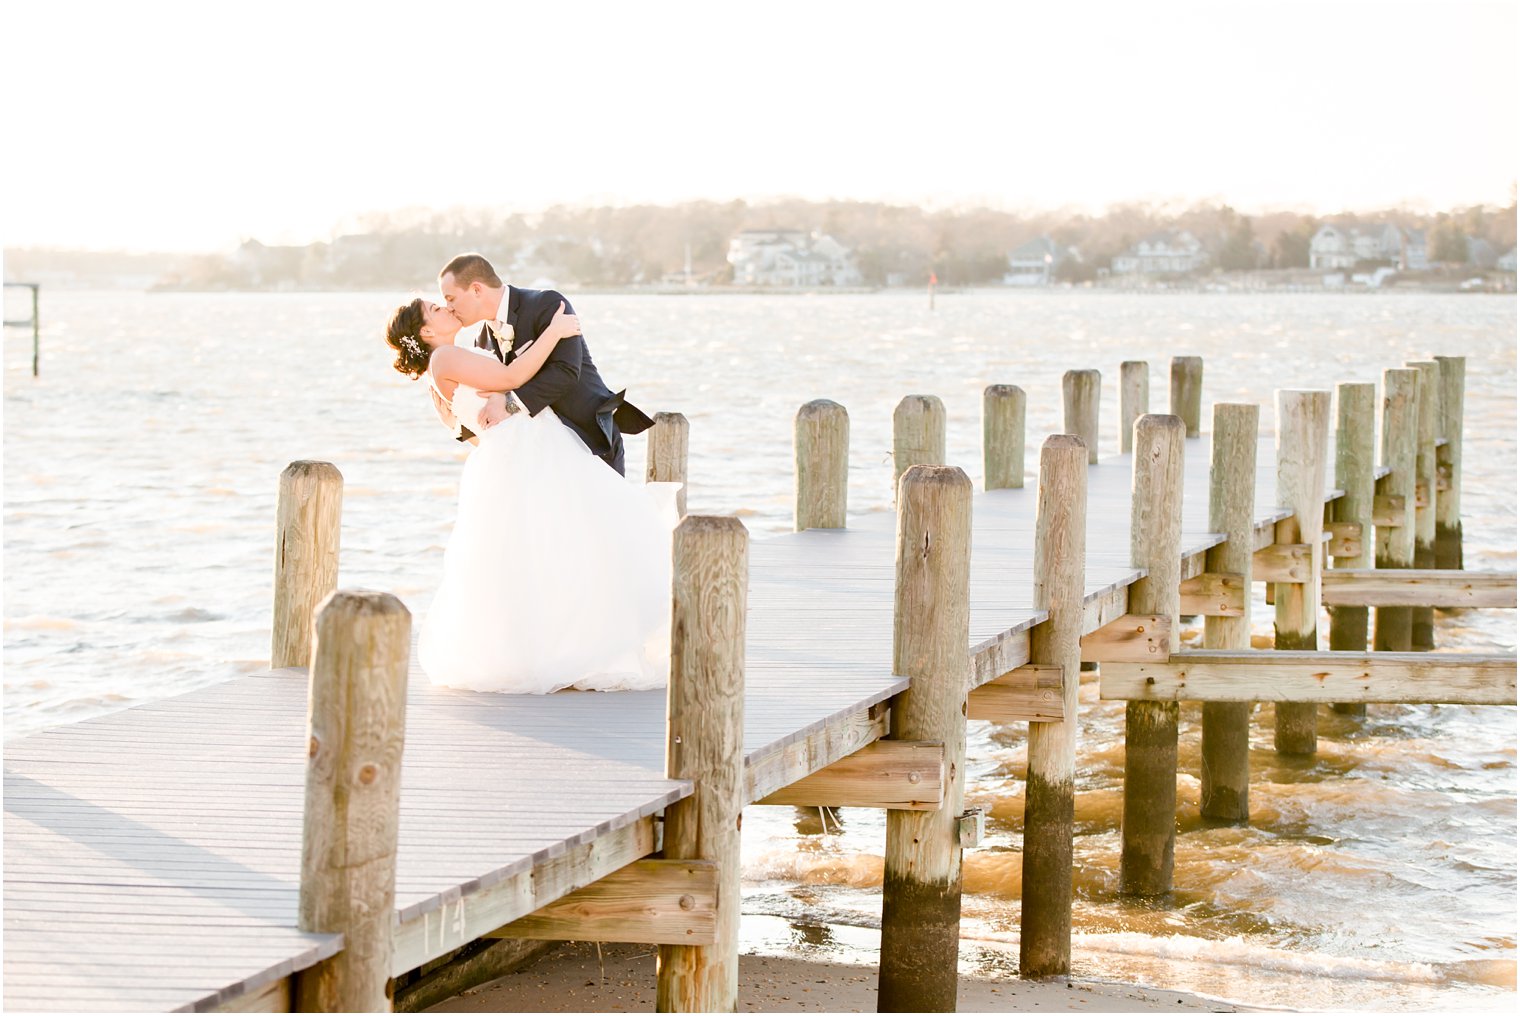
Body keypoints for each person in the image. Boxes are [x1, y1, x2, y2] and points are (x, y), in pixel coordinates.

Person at [383, 296, 678, 694]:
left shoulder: (453, 360)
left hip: (516, 453)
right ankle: (568, 647)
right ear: (426, 332)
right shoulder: (445, 359)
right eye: (436, 309)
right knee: (574, 538)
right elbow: (513, 375)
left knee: (541, 551)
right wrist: (553, 333)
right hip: (527, 451)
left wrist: (494, 401)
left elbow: (477, 418)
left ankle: (556, 645)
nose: (445, 308)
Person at [434, 253, 652, 474]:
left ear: (477, 289)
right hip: (541, 459)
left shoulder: (547, 305)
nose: (448, 307)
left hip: (590, 442)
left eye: (451, 298)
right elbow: (488, 403)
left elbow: (565, 371)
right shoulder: (482, 340)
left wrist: (509, 403)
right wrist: (457, 421)